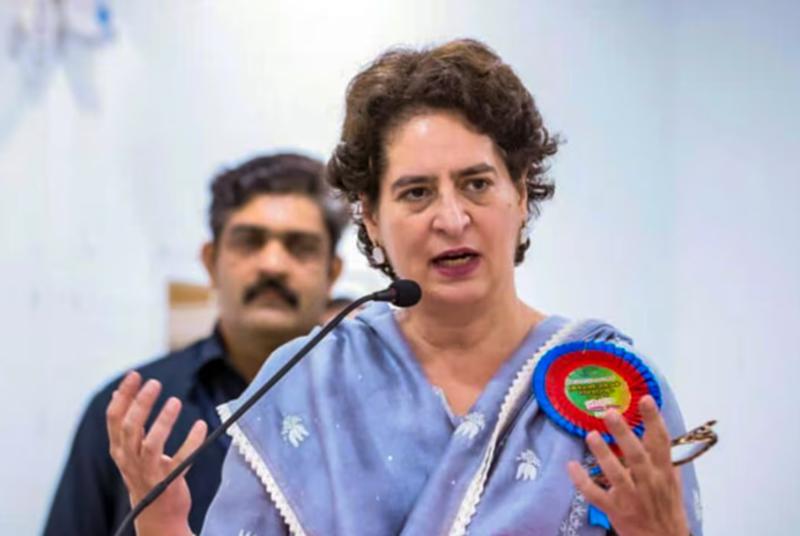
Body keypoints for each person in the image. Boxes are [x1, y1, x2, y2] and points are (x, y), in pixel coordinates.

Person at [107, 40, 703, 535]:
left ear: (521, 194)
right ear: (370, 218)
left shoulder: (611, 383)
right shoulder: (306, 381)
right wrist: (164, 526)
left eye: (476, 184)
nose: (452, 218)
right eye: (416, 193)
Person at [43, 153, 347, 536]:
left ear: (332, 272)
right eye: (249, 242)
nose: (273, 264)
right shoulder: (130, 414)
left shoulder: (371, 410)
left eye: (299, 246)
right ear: (210, 261)